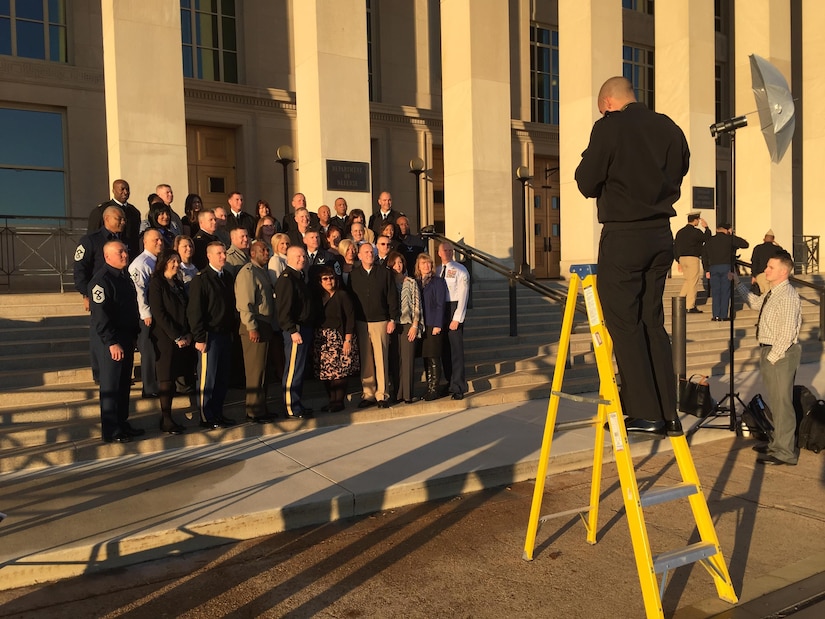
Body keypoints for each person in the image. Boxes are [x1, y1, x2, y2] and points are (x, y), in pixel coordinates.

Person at [574, 75, 690, 437]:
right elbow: (682, 167)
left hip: (624, 234)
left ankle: (644, 412)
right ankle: (668, 411)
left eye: (601, 108)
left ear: (608, 102)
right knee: (652, 322)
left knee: (623, 322)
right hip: (660, 234)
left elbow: (586, 182)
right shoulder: (668, 127)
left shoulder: (610, 128)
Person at [733, 250, 801, 465]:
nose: (765, 270)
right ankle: (777, 444)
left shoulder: (788, 296)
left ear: (783, 271)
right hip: (771, 351)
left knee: (782, 404)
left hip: (779, 354)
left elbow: (788, 332)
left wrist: (772, 357)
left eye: (770, 267)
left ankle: (785, 452)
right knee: (776, 401)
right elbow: (755, 303)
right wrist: (737, 283)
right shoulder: (774, 293)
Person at [88, 241, 143, 443]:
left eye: (125, 251)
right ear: (107, 256)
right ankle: (111, 429)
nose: (124, 255)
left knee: (122, 385)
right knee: (111, 385)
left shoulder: (124, 277)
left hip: (126, 337)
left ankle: (122, 423)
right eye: (119, 252)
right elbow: (101, 316)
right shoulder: (101, 281)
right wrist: (111, 342)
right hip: (111, 340)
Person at [187, 242, 239, 429]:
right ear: (209, 256)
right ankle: (206, 416)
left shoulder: (227, 277)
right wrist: (199, 337)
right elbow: (195, 312)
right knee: (208, 378)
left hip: (225, 334)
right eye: (218, 253)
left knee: (222, 377)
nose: (223, 257)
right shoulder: (201, 279)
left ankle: (218, 413)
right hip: (209, 336)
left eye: (224, 253)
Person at [75, 205, 127, 382]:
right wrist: (86, 294)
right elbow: (80, 270)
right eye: (118, 218)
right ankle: (100, 373)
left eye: (123, 219)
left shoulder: (123, 241)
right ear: (106, 219)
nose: (123, 222)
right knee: (100, 333)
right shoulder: (90, 241)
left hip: (118, 293)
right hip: (98, 294)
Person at [148, 249, 194, 435]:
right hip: (166, 339)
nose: (176, 264)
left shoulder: (177, 282)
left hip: (182, 337)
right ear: (164, 262)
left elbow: (185, 308)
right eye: (172, 261)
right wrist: (176, 336)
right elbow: (159, 313)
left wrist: (187, 332)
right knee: (166, 378)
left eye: (177, 261)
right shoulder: (157, 283)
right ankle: (166, 418)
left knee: (177, 375)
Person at [350, 242, 400, 408]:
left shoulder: (384, 273)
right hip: (361, 322)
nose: (369, 254)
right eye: (365, 252)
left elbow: (392, 296)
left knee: (381, 358)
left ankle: (382, 394)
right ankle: (369, 393)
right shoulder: (354, 275)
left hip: (381, 321)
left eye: (371, 252)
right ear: (359, 255)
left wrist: (392, 319)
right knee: (366, 360)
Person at [235, 241, 278, 423]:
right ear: (253, 253)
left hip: (266, 324)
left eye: (268, 250)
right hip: (255, 324)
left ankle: (261, 408)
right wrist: (251, 327)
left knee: (264, 371)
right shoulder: (248, 272)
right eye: (263, 250)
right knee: (255, 371)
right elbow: (245, 303)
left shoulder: (262, 271)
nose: (267, 253)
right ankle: (253, 411)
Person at [275, 246, 314, 418]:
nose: (302, 259)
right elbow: (283, 310)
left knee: (299, 369)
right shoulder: (286, 279)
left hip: (304, 328)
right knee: (293, 370)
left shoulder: (300, 277)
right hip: (295, 331)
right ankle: (291, 407)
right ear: (288, 258)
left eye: (304, 256)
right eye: (298, 256)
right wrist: (291, 330)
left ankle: (297, 403)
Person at [314, 265, 359, 412]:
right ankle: (331, 401)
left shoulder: (342, 295)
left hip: (339, 338)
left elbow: (351, 318)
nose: (329, 281)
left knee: (339, 372)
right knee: (326, 373)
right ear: (320, 281)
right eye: (325, 279)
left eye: (331, 278)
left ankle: (339, 402)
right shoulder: (319, 297)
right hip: (322, 340)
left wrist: (348, 340)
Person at [129, 229, 165, 399]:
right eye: (155, 240)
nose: (160, 242)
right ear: (145, 242)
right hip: (147, 317)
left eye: (161, 239)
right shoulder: (140, 263)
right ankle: (149, 387)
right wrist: (146, 314)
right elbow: (139, 291)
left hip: (159, 313)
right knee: (148, 351)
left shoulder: (159, 261)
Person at [438, 241, 470, 400]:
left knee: (455, 350)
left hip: (454, 308)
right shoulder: (437, 270)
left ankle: (459, 386)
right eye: (445, 250)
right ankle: (450, 382)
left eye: (450, 250)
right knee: (444, 350)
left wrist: (457, 318)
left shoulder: (460, 270)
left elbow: (464, 296)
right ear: (439, 253)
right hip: (440, 311)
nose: (448, 252)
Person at [389, 252, 421, 403]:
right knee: (396, 360)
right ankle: (397, 394)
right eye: (395, 263)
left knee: (408, 360)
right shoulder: (388, 282)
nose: (398, 266)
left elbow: (417, 306)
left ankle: (407, 394)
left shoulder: (411, 282)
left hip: (408, 325)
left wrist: (415, 325)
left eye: (400, 262)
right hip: (393, 326)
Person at [417, 252, 448, 401]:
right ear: (418, 266)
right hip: (422, 325)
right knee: (426, 357)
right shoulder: (416, 282)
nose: (427, 266)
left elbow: (440, 304)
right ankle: (429, 388)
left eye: (429, 263)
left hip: (433, 324)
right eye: (423, 263)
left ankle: (435, 388)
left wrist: (438, 324)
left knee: (434, 357)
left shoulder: (438, 282)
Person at [703, 223, 749, 321]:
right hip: (726, 267)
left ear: (716, 229)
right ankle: (723, 315)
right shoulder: (730, 239)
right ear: (727, 230)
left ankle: (716, 315)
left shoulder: (709, 240)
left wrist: (706, 269)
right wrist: (731, 235)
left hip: (713, 268)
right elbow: (745, 244)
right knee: (725, 291)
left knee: (715, 292)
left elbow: (704, 256)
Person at [87, 179, 141, 260]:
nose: (125, 192)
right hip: (108, 256)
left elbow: (135, 236)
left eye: (127, 189)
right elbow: (93, 233)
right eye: (122, 189)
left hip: (129, 256)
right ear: (114, 191)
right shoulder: (101, 210)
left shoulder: (134, 212)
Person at [673, 212, 710, 314]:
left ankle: (680, 301)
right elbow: (707, 238)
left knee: (688, 280)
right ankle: (690, 306)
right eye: (698, 220)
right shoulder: (696, 232)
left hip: (682, 258)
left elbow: (675, 246)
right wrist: (706, 228)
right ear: (695, 220)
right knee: (693, 282)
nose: (698, 222)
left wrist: (677, 260)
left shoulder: (680, 232)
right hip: (692, 258)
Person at [750, 229, 783, 294]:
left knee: (763, 295)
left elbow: (754, 262)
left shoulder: (758, 248)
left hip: (761, 275)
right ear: (773, 239)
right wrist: (777, 245)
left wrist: (753, 275)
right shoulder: (777, 249)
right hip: (774, 275)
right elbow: (783, 259)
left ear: (764, 239)